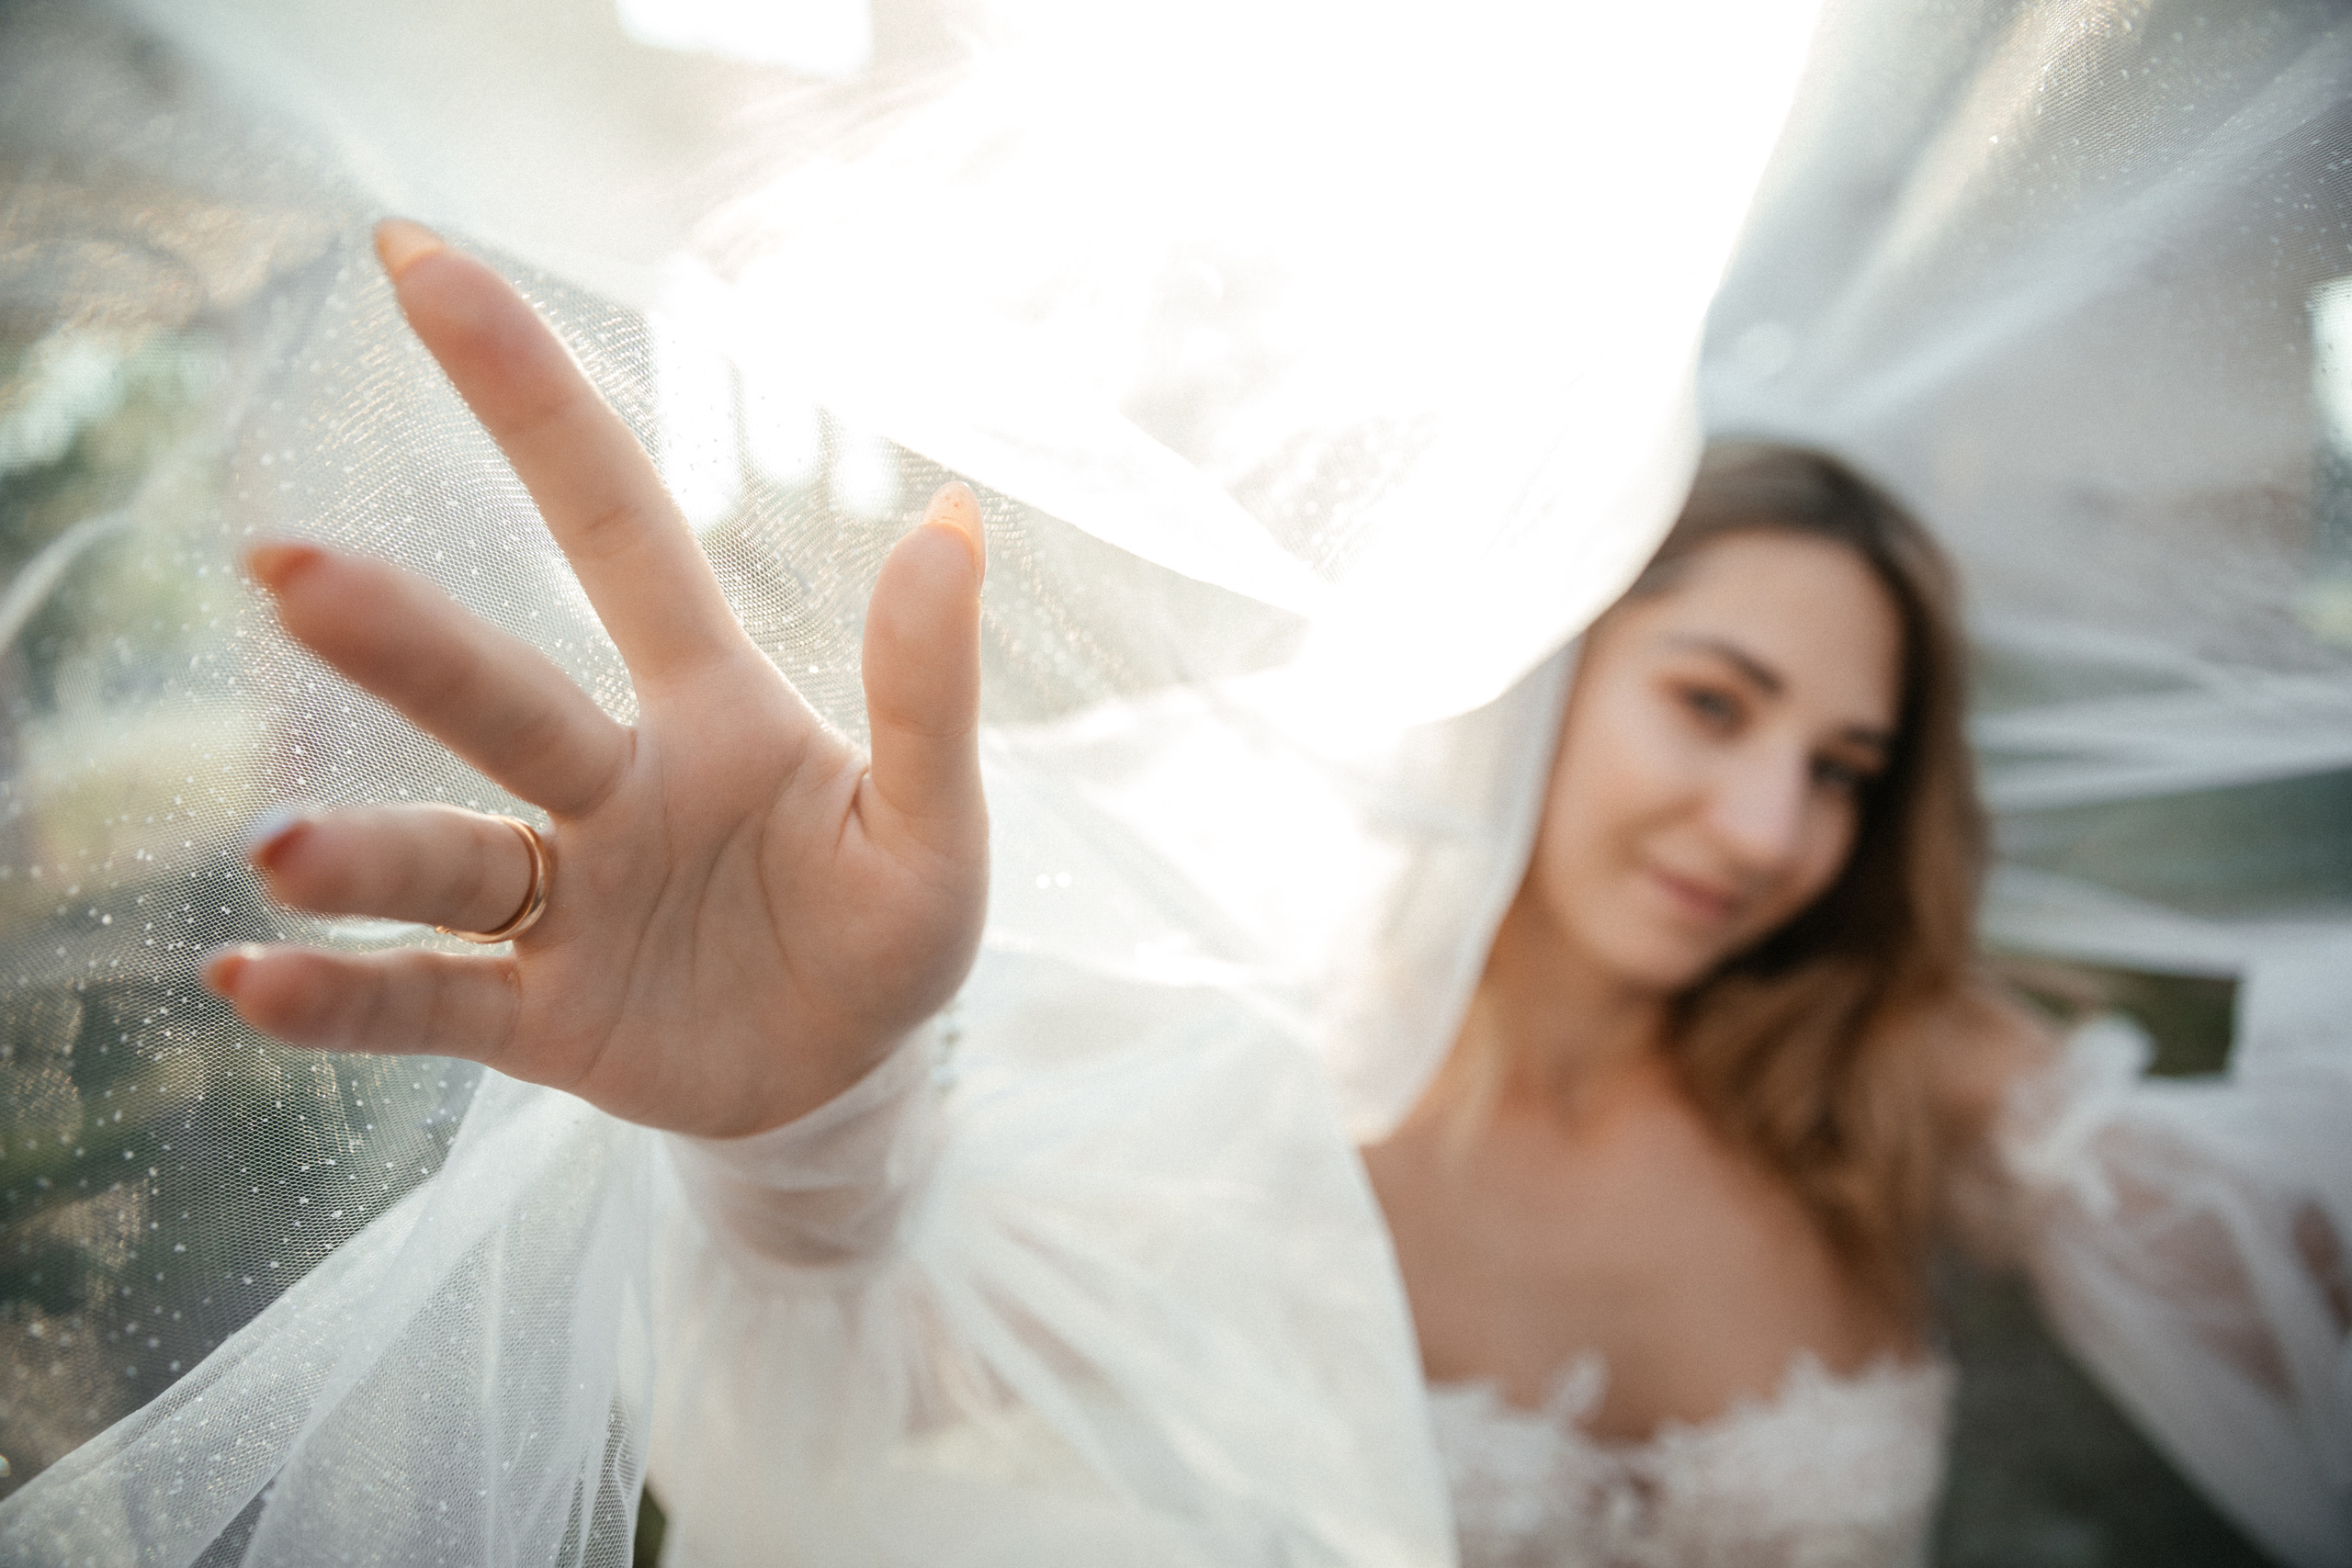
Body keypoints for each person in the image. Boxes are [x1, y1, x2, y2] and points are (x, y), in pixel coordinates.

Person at [186, 222, 2340, 1568]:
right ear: (1536, 684)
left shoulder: (1872, 1105)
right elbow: (857, 1395)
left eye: (1844, 770)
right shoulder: (1230, 1077)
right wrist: (803, 1126)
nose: (1775, 821)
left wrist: (2016, 1079)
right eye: (1713, 701)